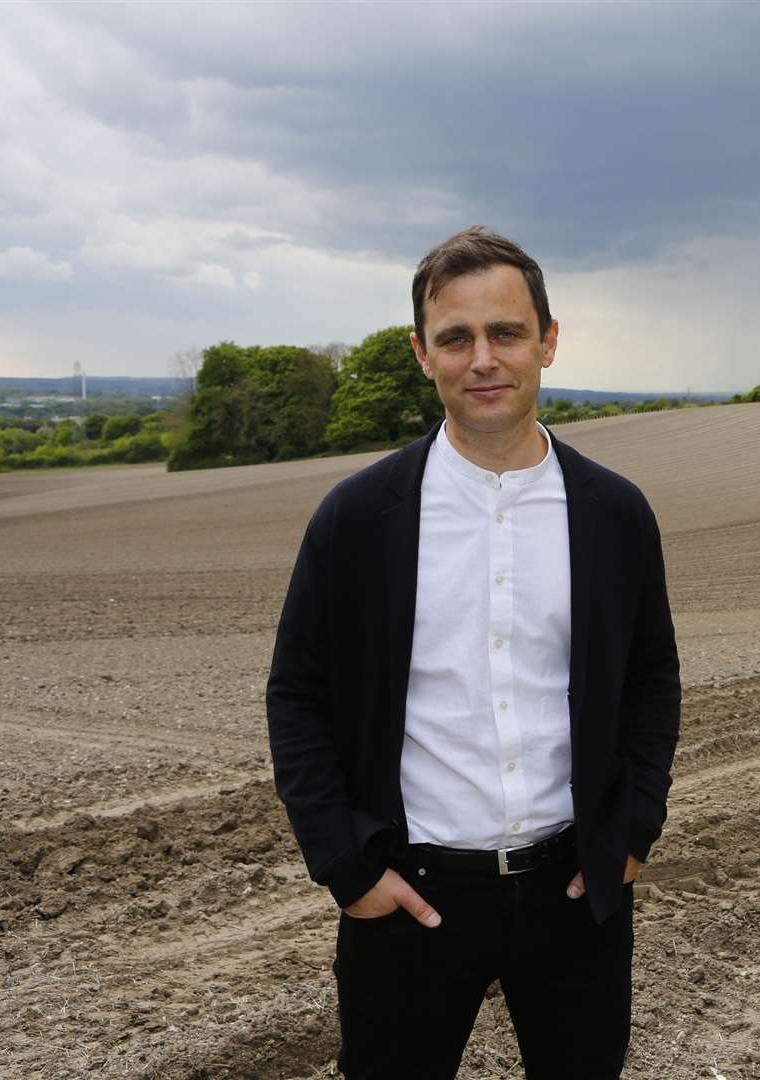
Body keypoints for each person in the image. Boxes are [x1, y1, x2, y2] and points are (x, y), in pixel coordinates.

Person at [266, 225, 681, 1079]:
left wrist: (632, 830)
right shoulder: (357, 519)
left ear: (548, 342)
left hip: (577, 894)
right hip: (409, 898)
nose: (483, 358)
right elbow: (298, 698)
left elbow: (651, 680)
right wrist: (348, 871)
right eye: (456, 338)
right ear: (424, 354)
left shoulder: (615, 515)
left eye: (506, 332)